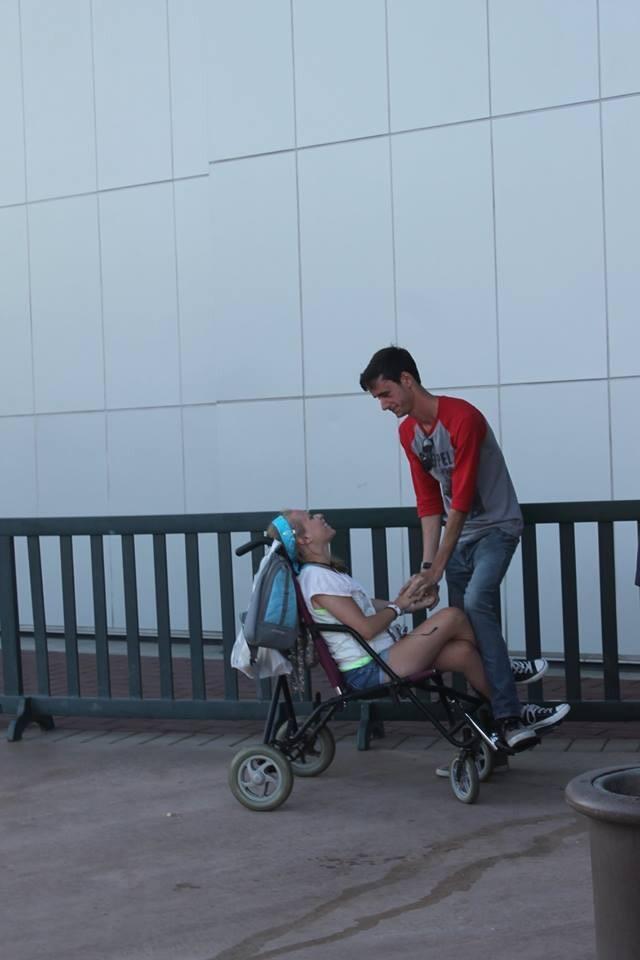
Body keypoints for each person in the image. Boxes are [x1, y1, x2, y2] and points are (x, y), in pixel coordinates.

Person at [359, 345, 570, 750]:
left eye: (385, 394)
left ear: (406, 379)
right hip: (460, 538)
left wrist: (437, 569)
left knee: (475, 601)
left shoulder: (462, 417)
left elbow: (460, 502)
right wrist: (426, 565)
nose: (383, 406)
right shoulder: (407, 434)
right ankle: (498, 712)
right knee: (462, 625)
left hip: (496, 527)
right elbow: (428, 503)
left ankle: (507, 713)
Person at [267, 510, 495, 709]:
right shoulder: (317, 579)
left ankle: (503, 713)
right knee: (452, 617)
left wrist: (408, 602)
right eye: (310, 517)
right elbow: (366, 629)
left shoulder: (324, 573)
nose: (319, 516)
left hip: (382, 657)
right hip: (369, 669)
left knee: (464, 654)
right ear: (304, 539)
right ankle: (501, 668)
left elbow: (362, 607)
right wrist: (399, 606)